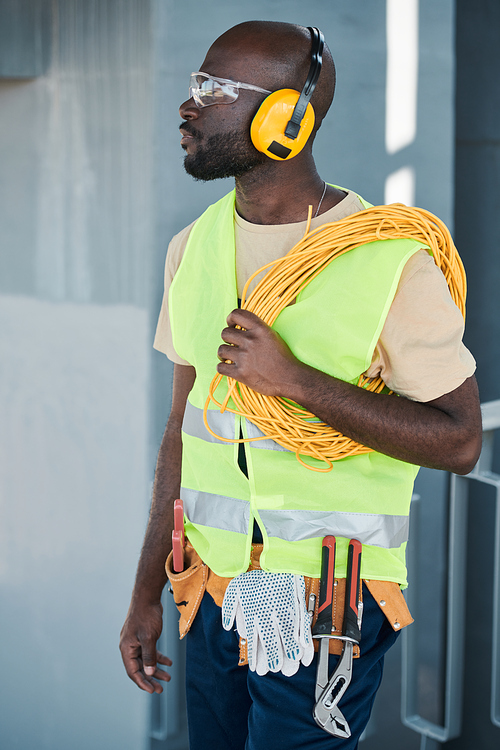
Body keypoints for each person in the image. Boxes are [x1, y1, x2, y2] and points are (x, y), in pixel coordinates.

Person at [120, 21, 482, 749]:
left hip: (322, 599)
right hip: (217, 590)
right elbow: (182, 430)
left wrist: (296, 381)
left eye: (214, 90)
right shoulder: (192, 248)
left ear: (286, 118)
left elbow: (461, 441)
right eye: (194, 85)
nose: (188, 107)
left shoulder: (390, 261)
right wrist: (144, 592)